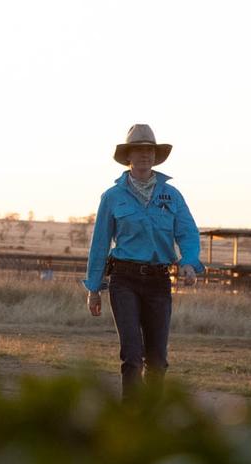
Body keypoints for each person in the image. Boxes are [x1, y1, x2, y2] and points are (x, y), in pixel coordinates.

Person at [82, 124, 203, 400]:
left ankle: (153, 417)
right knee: (132, 356)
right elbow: (100, 243)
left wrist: (189, 261)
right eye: (139, 150)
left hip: (159, 281)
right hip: (124, 279)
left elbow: (187, 231)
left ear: (155, 155)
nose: (145, 155)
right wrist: (93, 288)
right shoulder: (112, 197)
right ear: (129, 156)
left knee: (157, 359)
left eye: (150, 150)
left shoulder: (171, 195)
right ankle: (131, 419)